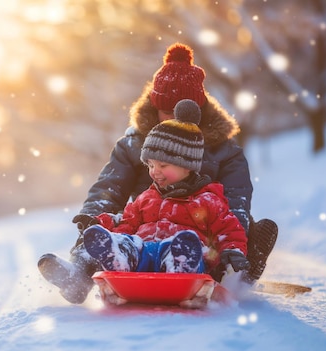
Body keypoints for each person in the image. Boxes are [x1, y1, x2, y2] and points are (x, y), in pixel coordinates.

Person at [38, 43, 277, 304]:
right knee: (105, 231)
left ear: (198, 109)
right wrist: (95, 219)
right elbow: (109, 189)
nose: (174, 119)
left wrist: (228, 253)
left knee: (245, 228)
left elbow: (235, 204)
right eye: (166, 112)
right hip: (144, 226)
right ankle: (79, 274)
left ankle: (234, 277)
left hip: (199, 232)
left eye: (181, 112)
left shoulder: (224, 151)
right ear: (154, 108)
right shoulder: (134, 145)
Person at [81, 100, 249, 284]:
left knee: (183, 245)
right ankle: (117, 257)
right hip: (144, 255)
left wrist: (233, 251)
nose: (154, 171)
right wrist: (102, 223)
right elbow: (127, 224)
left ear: (187, 167)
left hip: (184, 257)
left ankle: (180, 265)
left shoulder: (208, 200)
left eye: (163, 165)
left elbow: (229, 231)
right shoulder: (147, 198)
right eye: (150, 165)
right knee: (130, 244)